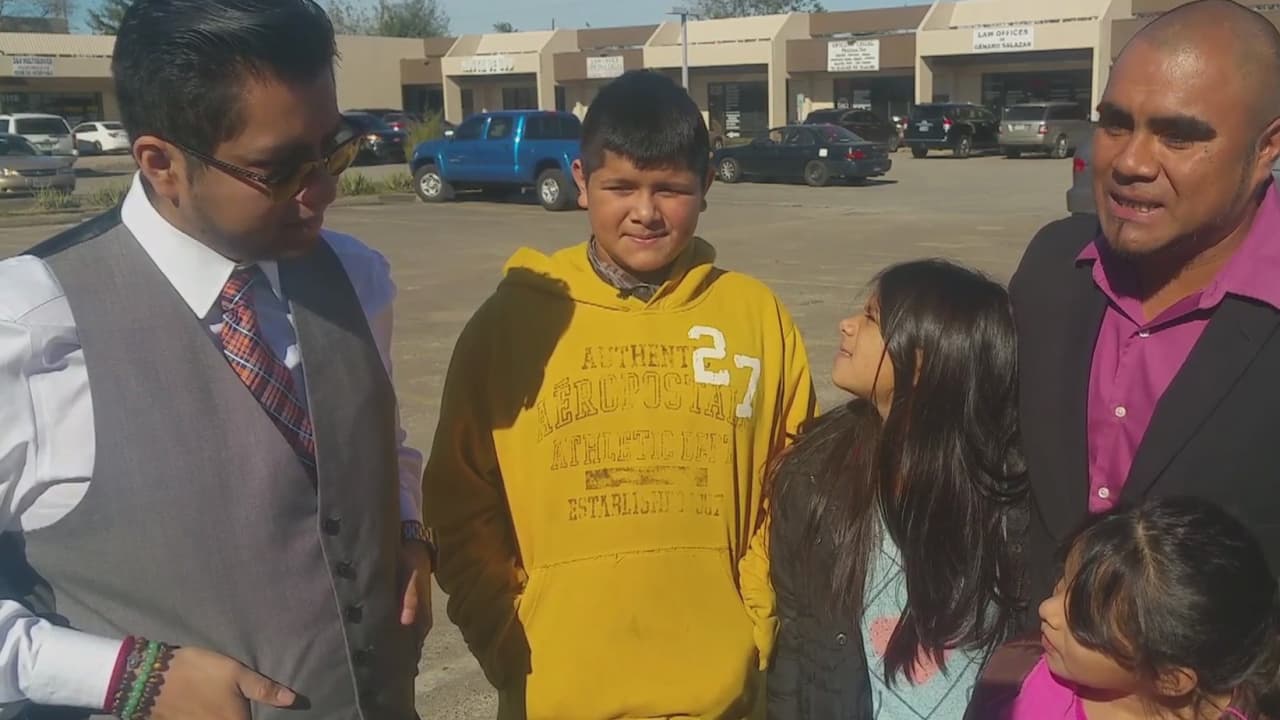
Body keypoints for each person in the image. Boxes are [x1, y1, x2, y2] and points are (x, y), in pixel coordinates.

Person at [0, 1, 433, 718]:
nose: (324, 189)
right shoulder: (28, 330)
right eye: (279, 169)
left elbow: (379, 446)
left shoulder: (357, 279)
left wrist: (408, 529)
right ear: (161, 164)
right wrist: (122, 677)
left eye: (333, 148)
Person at [422, 70, 815, 720]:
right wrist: (505, 635)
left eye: (671, 189)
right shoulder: (512, 324)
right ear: (581, 181)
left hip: (724, 694)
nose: (645, 212)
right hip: (556, 695)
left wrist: (752, 626)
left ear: (706, 184)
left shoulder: (756, 319)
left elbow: (794, 489)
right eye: (621, 187)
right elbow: (461, 506)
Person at [1012, 0, 1280, 606]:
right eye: (1114, 124)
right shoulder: (1053, 264)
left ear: (1267, 147)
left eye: (1177, 135)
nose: (1130, 163)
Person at [766, 260, 1028, 720]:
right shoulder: (814, 477)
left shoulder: (1012, 500)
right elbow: (798, 648)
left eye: (871, 318)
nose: (846, 325)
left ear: (927, 359)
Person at [1010, 496, 1280, 720]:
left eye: (1081, 622)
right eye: (1062, 584)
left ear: (1168, 679)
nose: (1046, 610)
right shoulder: (1029, 688)